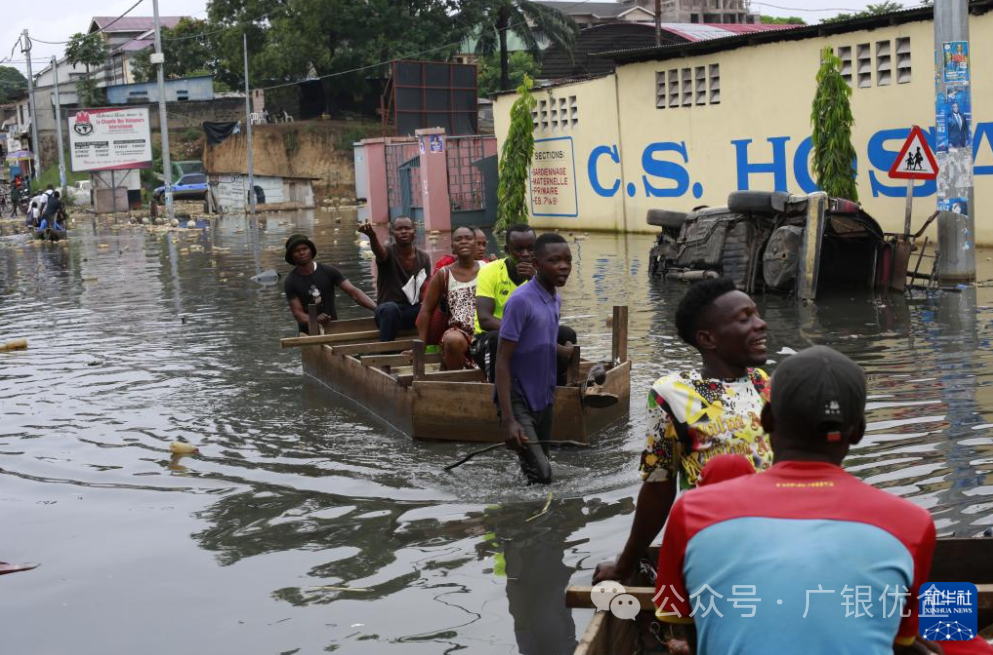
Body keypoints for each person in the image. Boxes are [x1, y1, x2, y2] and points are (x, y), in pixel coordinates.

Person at [653, 346, 937, 655]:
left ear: (767, 420)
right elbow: (896, 639)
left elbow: (690, 626)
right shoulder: (911, 524)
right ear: (858, 433)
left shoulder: (692, 513)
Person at [593, 277, 771, 584]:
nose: (761, 324)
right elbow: (659, 485)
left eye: (756, 314)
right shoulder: (672, 394)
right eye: (745, 319)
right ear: (708, 339)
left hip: (773, 540)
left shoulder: (763, 383)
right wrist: (625, 565)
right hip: (715, 545)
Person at [495, 233, 574, 485]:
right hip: (519, 400)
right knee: (543, 475)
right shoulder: (519, 301)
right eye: (555, 260)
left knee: (538, 472)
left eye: (567, 260)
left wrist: (566, 353)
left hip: (544, 397)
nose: (563, 266)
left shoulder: (554, 299)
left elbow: (543, 343)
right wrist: (509, 420)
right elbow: (502, 360)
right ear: (537, 265)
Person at [473, 224, 577, 383]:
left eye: (531, 249)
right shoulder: (490, 271)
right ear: (507, 250)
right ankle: (496, 390)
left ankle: (557, 388)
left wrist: (534, 281)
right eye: (519, 250)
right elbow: (485, 319)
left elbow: (552, 317)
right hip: (490, 339)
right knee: (496, 339)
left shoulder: (542, 274)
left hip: (530, 337)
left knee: (566, 334)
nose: (525, 255)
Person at [416, 226, 482, 370]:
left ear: (476, 244)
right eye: (458, 239)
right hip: (459, 331)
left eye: (468, 238)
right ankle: (457, 382)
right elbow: (426, 310)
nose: (463, 242)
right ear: (453, 248)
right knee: (452, 340)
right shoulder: (444, 274)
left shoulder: (488, 268)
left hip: (485, 329)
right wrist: (421, 343)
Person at [283, 233, 376, 334]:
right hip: (308, 333)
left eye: (304, 249)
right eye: (297, 251)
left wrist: (377, 308)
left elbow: (354, 292)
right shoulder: (291, 281)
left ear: (311, 251)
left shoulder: (329, 271)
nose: (301, 253)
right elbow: (298, 313)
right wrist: (315, 320)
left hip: (333, 328)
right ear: (291, 256)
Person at [359, 217, 431, 342]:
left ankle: (430, 345)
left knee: (435, 307)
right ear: (393, 233)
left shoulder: (423, 258)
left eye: (407, 228)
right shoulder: (387, 252)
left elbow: (425, 287)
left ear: (414, 231)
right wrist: (372, 236)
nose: (404, 231)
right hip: (387, 313)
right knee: (391, 309)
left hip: (411, 312)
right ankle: (386, 353)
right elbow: (379, 253)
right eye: (399, 229)